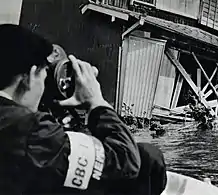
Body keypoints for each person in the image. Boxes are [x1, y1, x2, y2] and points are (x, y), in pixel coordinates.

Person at [0, 24, 167, 194]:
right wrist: (95, 101)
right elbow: (126, 162)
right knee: (148, 157)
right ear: (30, 76)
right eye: (44, 77)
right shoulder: (29, 129)